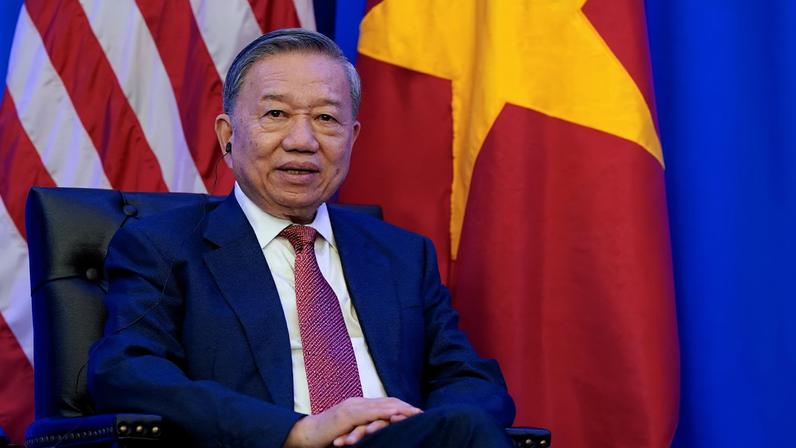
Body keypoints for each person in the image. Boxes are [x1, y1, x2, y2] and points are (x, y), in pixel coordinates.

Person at [88, 28, 515, 447]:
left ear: (353, 138)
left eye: (327, 119)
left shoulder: (402, 255)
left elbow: (470, 380)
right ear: (227, 136)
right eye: (276, 114)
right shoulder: (163, 247)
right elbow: (126, 371)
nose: (302, 141)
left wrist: (418, 428)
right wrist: (295, 432)